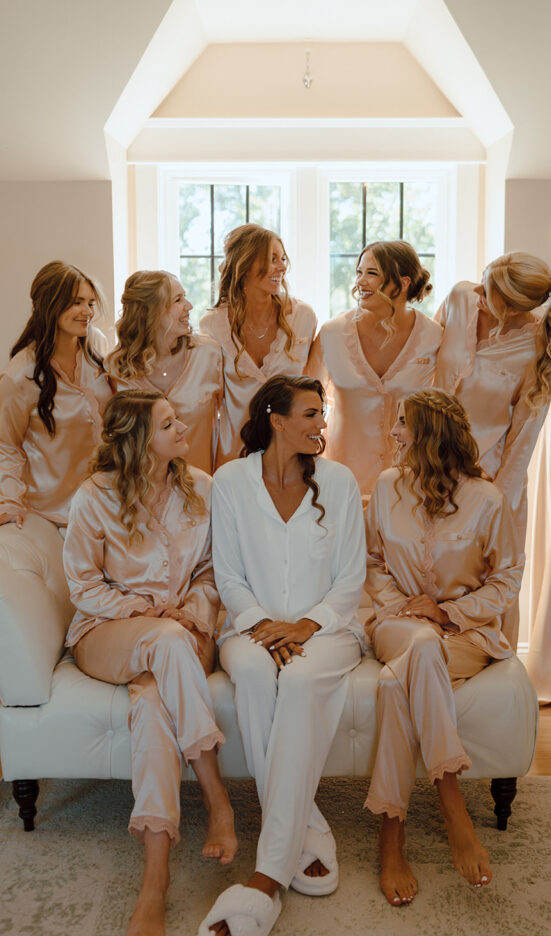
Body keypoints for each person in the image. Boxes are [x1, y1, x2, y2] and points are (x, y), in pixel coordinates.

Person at [64, 390, 237, 936]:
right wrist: (147, 608)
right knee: (163, 642)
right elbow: (83, 585)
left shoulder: (202, 491)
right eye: (168, 423)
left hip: (188, 631)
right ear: (139, 441)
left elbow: (214, 574)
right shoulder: (94, 497)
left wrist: (189, 611)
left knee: (153, 701)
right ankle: (216, 796)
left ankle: (155, 876)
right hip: (109, 631)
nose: (183, 426)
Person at [199, 375, 365, 936]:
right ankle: (308, 827)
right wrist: (262, 626)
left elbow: (350, 580)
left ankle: (267, 877)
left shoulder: (339, 483)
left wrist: (304, 626)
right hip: (250, 630)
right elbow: (228, 572)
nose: (322, 425)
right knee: (251, 672)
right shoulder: (229, 481)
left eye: (323, 415)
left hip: (328, 630)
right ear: (276, 419)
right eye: (312, 414)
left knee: (294, 683)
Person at [364, 389, 523, 907]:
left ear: (432, 434)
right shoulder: (387, 488)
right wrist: (409, 609)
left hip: (466, 635)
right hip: (396, 624)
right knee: (420, 645)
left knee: (394, 684)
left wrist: (449, 612)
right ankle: (452, 802)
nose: (394, 434)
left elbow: (507, 579)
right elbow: (372, 563)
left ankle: (392, 836)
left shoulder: (488, 499)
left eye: (404, 424)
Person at [434, 253, 551, 644]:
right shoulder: (461, 299)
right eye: (483, 280)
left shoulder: (536, 347)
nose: (478, 289)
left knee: (478, 585)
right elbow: (423, 363)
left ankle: (490, 682)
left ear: (514, 306)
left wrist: (492, 504)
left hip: (485, 482)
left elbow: (522, 440)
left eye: (490, 290)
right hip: (425, 471)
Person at [0, 260, 112, 534]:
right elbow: (6, 445)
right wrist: (10, 503)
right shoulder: (20, 377)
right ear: (49, 304)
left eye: (90, 303)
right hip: (57, 514)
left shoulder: (95, 345)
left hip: (107, 502)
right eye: (77, 302)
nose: (87, 311)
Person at [307, 241, 442, 503]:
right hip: (341, 481)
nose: (360, 282)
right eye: (359, 272)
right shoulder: (332, 334)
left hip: (412, 483)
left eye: (372, 273)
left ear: (402, 283)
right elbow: (306, 404)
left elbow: (443, 408)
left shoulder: (433, 337)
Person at [199, 224, 317, 466]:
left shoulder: (303, 317)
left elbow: (313, 391)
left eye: (283, 258)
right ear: (245, 265)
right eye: (272, 259)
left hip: (291, 458)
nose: (282, 266)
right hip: (234, 457)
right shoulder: (212, 325)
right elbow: (208, 402)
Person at [107, 270, 223, 474]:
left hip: (202, 492)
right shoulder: (116, 367)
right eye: (177, 300)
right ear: (151, 312)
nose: (189, 306)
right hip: (141, 493)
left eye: (184, 297)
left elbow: (227, 427)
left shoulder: (209, 354)